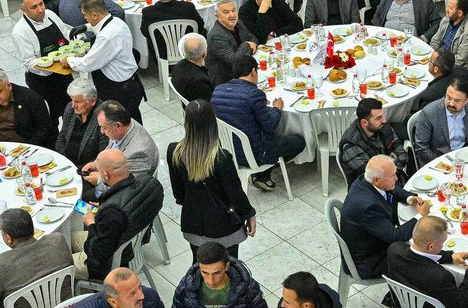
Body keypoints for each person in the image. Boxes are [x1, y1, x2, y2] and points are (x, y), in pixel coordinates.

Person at [167, 100, 258, 252]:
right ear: (212, 123)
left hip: (193, 224)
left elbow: (179, 193)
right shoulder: (221, 158)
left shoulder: (174, 152)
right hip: (223, 226)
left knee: (199, 262)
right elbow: (235, 194)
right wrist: (249, 213)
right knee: (229, 263)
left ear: (186, 123)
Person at [213, 53, 306, 189]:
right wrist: (277, 108)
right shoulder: (254, 95)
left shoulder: (218, 91)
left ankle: (261, 174)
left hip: (228, 150)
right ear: (253, 71)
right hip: (254, 153)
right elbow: (270, 124)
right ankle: (263, 172)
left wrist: (260, 105)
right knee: (299, 142)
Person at [166, 241, 271, 308]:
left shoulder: (249, 290)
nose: (210, 280)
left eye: (216, 273)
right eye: (205, 272)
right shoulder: (186, 288)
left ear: (227, 267)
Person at [341, 156, 430, 279]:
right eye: (392, 175)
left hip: (370, 242)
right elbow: (396, 237)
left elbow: (390, 189)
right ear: (376, 180)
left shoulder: (364, 180)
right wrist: (420, 216)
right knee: (422, 258)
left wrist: (409, 197)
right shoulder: (369, 207)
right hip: (369, 261)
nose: (396, 178)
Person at [81, 148, 163, 279]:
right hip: (128, 247)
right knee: (71, 238)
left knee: (64, 252)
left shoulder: (112, 212)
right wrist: (104, 207)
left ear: (106, 175)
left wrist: (91, 223)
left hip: (107, 265)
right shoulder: (148, 183)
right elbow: (126, 208)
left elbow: (98, 252)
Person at [67, 0, 147, 122]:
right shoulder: (117, 21)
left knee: (123, 125)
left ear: (94, 14)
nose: (85, 19)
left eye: (85, 15)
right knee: (134, 121)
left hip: (120, 91)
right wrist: (86, 27)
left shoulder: (106, 37)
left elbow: (88, 63)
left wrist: (69, 60)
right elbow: (102, 26)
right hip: (131, 84)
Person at [0, 69, 53, 148]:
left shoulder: (30, 98)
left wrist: (26, 149)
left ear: (9, 86)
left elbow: (44, 129)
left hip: (26, 146)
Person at [339, 97, 408, 183]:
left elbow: (402, 154)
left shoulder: (384, 128)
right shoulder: (351, 144)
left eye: (383, 115)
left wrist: (393, 169)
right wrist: (393, 164)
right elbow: (373, 176)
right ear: (364, 122)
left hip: (394, 177)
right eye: (378, 118)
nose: (384, 120)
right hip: (368, 187)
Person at [411, 78, 468, 164]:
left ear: (466, 101)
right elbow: (421, 147)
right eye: (449, 98)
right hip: (439, 159)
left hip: (465, 156)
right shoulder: (429, 113)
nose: (451, 103)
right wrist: (443, 164)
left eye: (457, 101)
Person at [141, 0, 206, 60]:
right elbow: (200, 26)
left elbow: (145, 32)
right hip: (189, 49)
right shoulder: (188, 7)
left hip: (163, 54)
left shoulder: (148, 12)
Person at [206, 0, 257, 86]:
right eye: (226, 12)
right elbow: (234, 62)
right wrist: (247, 45)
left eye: (233, 10)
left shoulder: (238, 23)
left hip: (242, 69)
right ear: (217, 16)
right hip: (225, 79)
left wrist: (250, 47)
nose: (232, 15)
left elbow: (253, 38)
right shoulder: (216, 36)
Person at [55, 79, 105, 168]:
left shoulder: (103, 117)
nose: (73, 105)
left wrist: (82, 169)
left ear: (92, 101)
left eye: (77, 101)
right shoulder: (70, 109)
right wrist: (63, 159)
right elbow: (62, 135)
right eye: (72, 100)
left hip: (87, 168)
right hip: (65, 162)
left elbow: (103, 153)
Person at [238, 0, 303, 43]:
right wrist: (262, 13)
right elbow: (259, 39)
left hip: (283, 41)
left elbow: (298, 24)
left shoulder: (277, 0)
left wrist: (274, 34)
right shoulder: (245, 11)